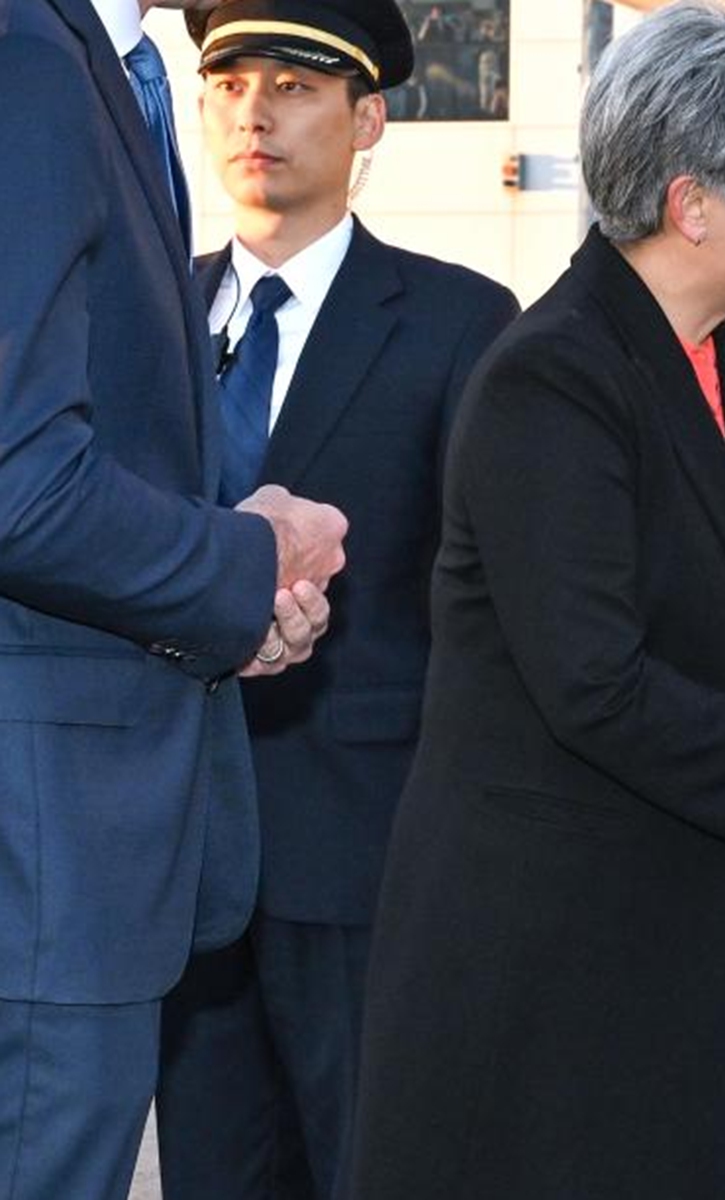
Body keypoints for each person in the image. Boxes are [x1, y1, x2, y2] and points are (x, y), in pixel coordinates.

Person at [340, 7, 725, 1198]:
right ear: (692, 205)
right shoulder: (550, 379)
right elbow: (595, 684)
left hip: (676, 916)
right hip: (539, 953)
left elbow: (723, 661)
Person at [152, 4, 521, 1198]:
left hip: (370, 856)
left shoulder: (461, 323)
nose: (254, 113)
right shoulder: (143, 315)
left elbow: (491, 608)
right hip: (171, 851)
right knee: (209, 1173)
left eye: (295, 86)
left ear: (367, 121)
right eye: (229, 84)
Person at [0, 1, 348, 1198]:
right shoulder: (33, 58)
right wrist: (244, 565)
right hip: (44, 854)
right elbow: (18, 481)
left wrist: (230, 588)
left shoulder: (101, 64)